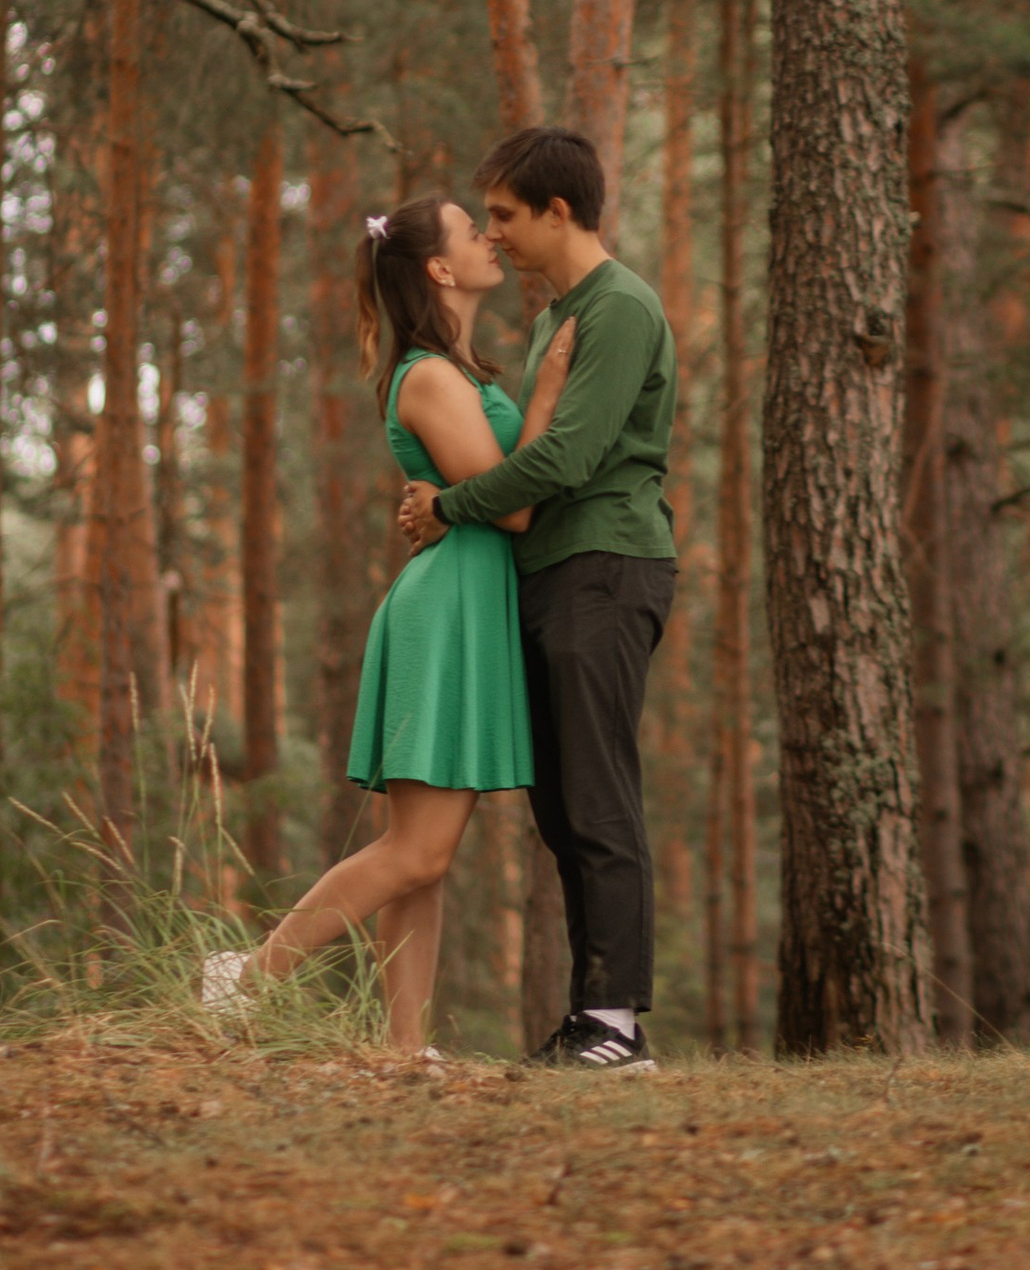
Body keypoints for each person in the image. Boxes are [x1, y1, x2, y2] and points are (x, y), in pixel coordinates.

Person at [202, 195, 572, 1059]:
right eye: (470, 230)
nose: (489, 238)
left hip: (467, 606)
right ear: (439, 268)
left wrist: (450, 498)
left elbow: (481, 488)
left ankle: (406, 1048)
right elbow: (514, 507)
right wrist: (549, 392)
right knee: (417, 853)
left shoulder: (458, 371)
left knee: (420, 854)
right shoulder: (432, 376)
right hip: (446, 615)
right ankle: (247, 977)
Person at [397, 123, 676, 1073]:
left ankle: (617, 1024)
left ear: (559, 212)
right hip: (558, 572)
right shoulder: (565, 314)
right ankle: (593, 1016)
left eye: (506, 215)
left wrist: (449, 505)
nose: (495, 233)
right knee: (563, 808)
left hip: (607, 565)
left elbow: (567, 458)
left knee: (598, 798)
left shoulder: (618, 306)